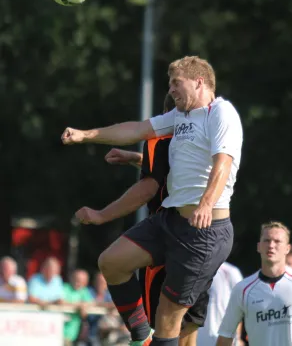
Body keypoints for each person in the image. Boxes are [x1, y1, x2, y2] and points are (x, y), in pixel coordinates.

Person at [62, 56, 243, 346]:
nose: (170, 89)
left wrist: (207, 203)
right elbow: (136, 129)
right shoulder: (180, 117)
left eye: (176, 83)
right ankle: (140, 336)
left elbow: (222, 163)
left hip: (204, 232)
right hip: (170, 220)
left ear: (199, 82)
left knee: (170, 319)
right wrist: (86, 135)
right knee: (111, 262)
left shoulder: (221, 112)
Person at [216, 221, 292, 346]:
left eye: (277, 241)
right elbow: (225, 337)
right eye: (266, 241)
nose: (271, 245)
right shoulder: (242, 289)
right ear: (259, 246)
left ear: (287, 248)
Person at [197, 262, 244, 346]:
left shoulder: (231, 272)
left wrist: (238, 339)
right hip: (195, 341)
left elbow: (239, 309)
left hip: (223, 341)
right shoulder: (190, 269)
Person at [63, 269, 94, 346]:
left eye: (81, 280)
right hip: (60, 332)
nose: (78, 282)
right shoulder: (65, 287)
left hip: (74, 334)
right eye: (76, 279)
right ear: (71, 278)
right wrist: (79, 305)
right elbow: (60, 301)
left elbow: (91, 303)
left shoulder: (84, 291)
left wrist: (84, 306)